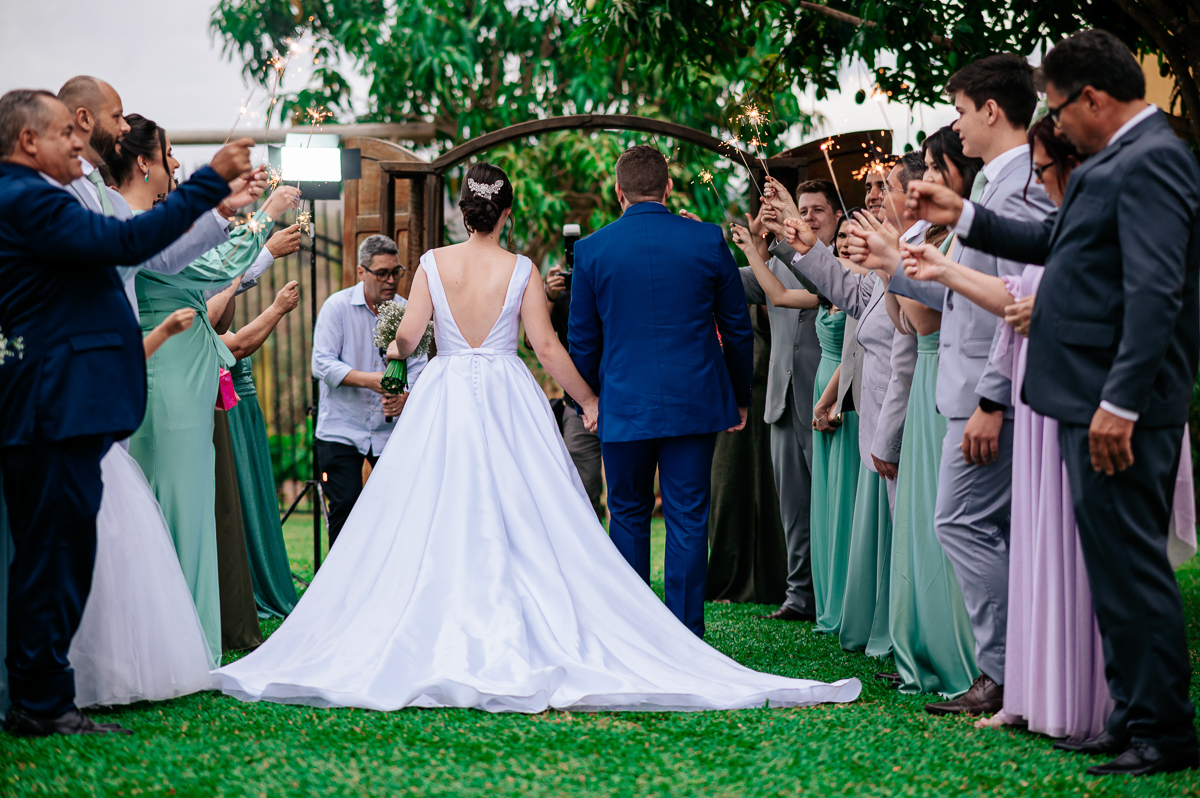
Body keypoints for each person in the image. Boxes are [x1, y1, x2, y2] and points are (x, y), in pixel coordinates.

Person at [212, 161, 861, 712]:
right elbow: (547, 347)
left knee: (437, 507)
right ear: (506, 212)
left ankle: (444, 618)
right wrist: (587, 400)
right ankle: (631, 627)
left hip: (445, 395)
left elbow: (407, 338)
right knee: (530, 510)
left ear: (463, 211)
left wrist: (395, 362)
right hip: (510, 391)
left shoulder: (433, 264)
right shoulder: (522, 267)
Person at [906, 31, 1199, 775]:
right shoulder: (1113, 162)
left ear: (1092, 98)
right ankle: (1128, 716)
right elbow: (1053, 243)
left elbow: (1156, 293)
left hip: (1117, 406)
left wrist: (1121, 403)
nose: (1056, 124)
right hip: (1079, 397)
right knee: (1111, 569)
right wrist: (963, 215)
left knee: (1132, 568)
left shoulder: (1155, 159)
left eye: (1060, 109)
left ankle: (1163, 730)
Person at [0, 88, 251, 736]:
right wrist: (209, 183)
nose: (78, 143)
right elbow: (128, 241)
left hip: (67, 401)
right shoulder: (26, 198)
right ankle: (39, 702)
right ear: (28, 141)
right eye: (64, 134)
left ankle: (44, 694)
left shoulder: (43, 195)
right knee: (51, 556)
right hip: (53, 402)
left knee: (57, 554)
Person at [886, 54, 1055, 716]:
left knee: (957, 521)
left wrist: (992, 396)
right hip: (971, 386)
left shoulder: (1020, 187)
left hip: (992, 390)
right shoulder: (993, 183)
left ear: (990, 109)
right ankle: (1017, 668)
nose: (954, 126)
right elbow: (963, 295)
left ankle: (1006, 671)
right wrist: (897, 264)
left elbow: (1016, 301)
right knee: (984, 527)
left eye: (959, 110)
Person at [570, 146, 754, 637]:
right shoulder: (707, 239)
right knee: (688, 518)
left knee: (627, 515)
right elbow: (737, 328)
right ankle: (685, 637)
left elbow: (582, 340)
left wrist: (586, 402)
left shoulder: (591, 250)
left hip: (623, 403)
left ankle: (635, 637)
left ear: (619, 191)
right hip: (694, 401)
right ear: (668, 187)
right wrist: (739, 395)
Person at [126, 147, 301, 661]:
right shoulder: (139, 227)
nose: (176, 164)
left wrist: (232, 206)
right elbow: (217, 267)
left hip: (187, 376)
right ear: (142, 163)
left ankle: (190, 635)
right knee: (177, 507)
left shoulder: (153, 223)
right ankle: (175, 641)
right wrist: (267, 214)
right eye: (168, 154)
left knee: (193, 507)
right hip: (167, 379)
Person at [67, 308, 215, 710]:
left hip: (90, 446)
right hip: (66, 440)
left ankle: (105, 671)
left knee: (110, 558)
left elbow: (120, 366)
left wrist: (164, 331)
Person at [883, 127, 981, 698]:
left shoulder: (953, 240)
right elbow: (901, 320)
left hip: (945, 379)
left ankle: (960, 655)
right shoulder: (927, 238)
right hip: (930, 378)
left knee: (948, 521)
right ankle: (919, 643)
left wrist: (894, 256)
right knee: (923, 521)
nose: (926, 183)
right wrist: (890, 262)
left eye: (936, 171)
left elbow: (924, 322)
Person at [735, 179, 840, 623]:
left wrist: (778, 241)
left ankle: (836, 596)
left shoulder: (842, 262)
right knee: (793, 508)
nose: (810, 218)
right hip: (781, 397)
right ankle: (800, 596)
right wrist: (703, 244)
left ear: (837, 217)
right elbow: (733, 282)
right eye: (805, 209)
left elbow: (816, 281)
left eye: (818, 211)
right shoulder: (775, 262)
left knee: (831, 502)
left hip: (829, 402)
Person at [312, 234, 429, 546]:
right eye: (382, 273)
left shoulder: (409, 311)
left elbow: (420, 370)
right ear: (361, 272)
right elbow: (321, 364)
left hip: (391, 433)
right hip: (341, 428)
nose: (391, 280)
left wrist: (406, 397)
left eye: (396, 272)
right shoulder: (336, 307)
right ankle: (339, 575)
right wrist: (369, 380)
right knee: (345, 506)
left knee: (398, 510)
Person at [222, 280, 304, 619]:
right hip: (230, 417)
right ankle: (252, 583)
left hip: (246, 415)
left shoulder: (217, 313)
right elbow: (238, 347)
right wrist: (277, 308)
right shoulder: (200, 317)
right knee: (240, 498)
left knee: (253, 496)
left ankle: (264, 576)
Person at [545, 263, 604, 520]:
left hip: (620, 402)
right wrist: (549, 297)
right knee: (582, 490)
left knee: (626, 495)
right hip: (576, 407)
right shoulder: (564, 298)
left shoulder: (614, 290)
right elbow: (536, 341)